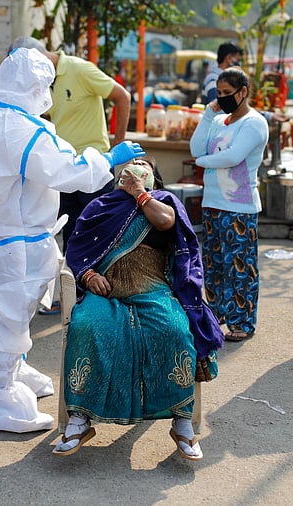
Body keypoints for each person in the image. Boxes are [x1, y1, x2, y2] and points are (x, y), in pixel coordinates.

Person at [0, 47, 145, 433]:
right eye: (44, 85)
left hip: (8, 237)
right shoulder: (21, 129)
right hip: (17, 243)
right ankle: (0, 393)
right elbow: (67, 170)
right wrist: (108, 158)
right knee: (7, 315)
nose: (46, 92)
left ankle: (13, 368)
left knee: (12, 312)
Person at [55, 158, 224, 460]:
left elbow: (165, 223)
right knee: (87, 327)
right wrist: (88, 275)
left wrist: (140, 194)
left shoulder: (164, 201)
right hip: (107, 290)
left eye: (143, 164)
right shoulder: (99, 207)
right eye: (129, 164)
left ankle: (182, 422)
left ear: (153, 180)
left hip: (153, 287)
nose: (134, 166)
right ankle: (80, 420)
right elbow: (77, 250)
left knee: (174, 330)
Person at [9, 37, 132, 249]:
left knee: (97, 233)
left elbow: (123, 97)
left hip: (95, 166)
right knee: (70, 233)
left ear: (39, 57)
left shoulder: (79, 69)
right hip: (64, 167)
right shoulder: (41, 81)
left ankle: (97, 281)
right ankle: (72, 282)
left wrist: (117, 146)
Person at [189, 68, 268, 342]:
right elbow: (195, 147)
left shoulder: (254, 123)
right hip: (212, 203)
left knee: (240, 267)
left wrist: (202, 163)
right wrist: (209, 113)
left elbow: (233, 157)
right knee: (214, 266)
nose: (222, 98)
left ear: (243, 91)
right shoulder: (220, 120)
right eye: (218, 93)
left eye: (227, 93)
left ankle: (243, 322)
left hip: (239, 207)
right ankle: (217, 316)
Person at [202, 41, 243, 105]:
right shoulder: (214, 80)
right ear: (229, 58)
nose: (239, 64)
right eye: (238, 60)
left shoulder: (222, 79)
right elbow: (217, 110)